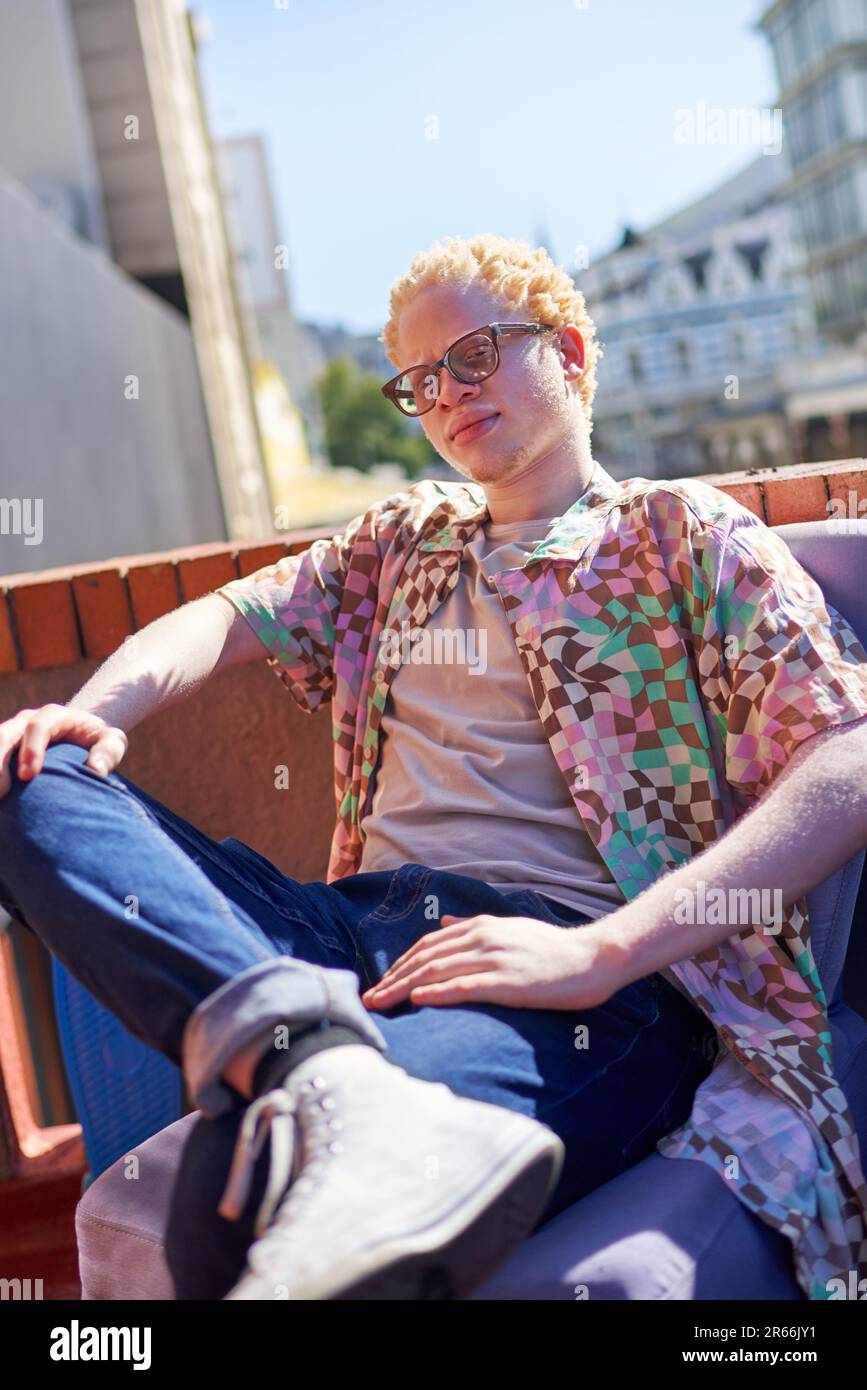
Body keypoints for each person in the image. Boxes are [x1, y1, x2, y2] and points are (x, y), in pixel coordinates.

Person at [2, 233, 866, 1302]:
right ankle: (305, 1052)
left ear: (574, 354)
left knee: (231, 1191)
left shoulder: (681, 535)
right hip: (346, 941)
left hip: (571, 972)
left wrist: (605, 952)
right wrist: (85, 719)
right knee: (28, 781)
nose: (446, 394)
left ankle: (308, 1066)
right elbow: (223, 619)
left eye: (475, 355)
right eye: (420, 380)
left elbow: (850, 758)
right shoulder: (400, 544)